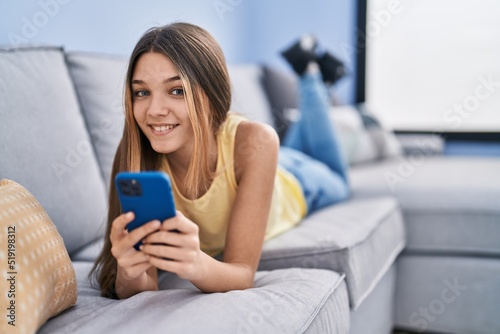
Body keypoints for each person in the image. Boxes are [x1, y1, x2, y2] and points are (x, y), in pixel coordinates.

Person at [91, 22, 349, 299]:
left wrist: (196, 265)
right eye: (142, 92)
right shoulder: (134, 153)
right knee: (291, 137)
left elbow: (242, 273)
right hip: (260, 159)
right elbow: (142, 289)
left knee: (339, 177)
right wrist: (129, 273)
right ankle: (321, 78)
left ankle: (311, 76)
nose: (154, 110)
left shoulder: (257, 140)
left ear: (212, 96)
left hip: (298, 183)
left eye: (177, 90)